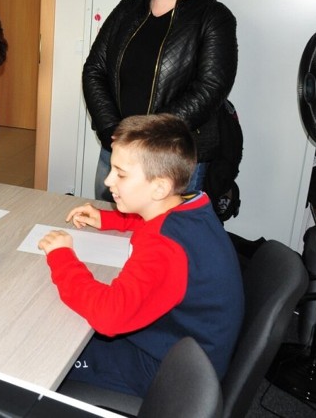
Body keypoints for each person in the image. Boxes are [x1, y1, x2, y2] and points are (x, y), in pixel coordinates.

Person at [39, 114, 243, 398]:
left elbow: (109, 317)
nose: (109, 180)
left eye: (121, 174)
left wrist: (62, 256)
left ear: (159, 187)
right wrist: (110, 220)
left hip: (171, 376)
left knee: (49, 348)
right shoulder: (193, 204)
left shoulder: (165, 248)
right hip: (192, 353)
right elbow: (158, 219)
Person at [82, 0, 237, 201]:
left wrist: (146, 137)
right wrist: (114, 133)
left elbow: (210, 88)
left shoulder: (212, 17)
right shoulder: (128, 9)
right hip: (117, 149)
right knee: (108, 228)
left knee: (168, 238)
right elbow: (95, 70)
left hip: (173, 156)